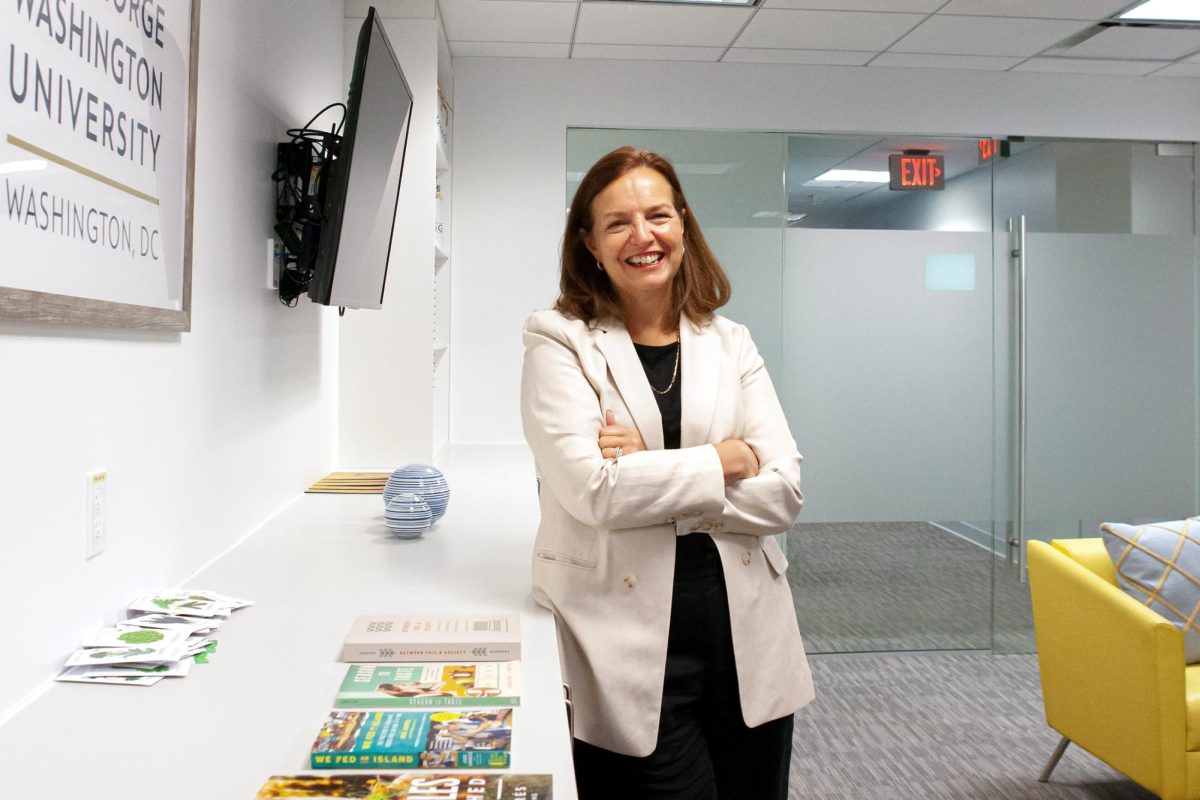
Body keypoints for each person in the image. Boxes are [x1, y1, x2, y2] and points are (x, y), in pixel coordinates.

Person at [520, 146, 814, 800]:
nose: (642, 236)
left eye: (658, 215)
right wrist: (725, 459)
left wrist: (650, 471)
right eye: (617, 222)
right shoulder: (558, 342)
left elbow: (784, 492)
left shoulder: (729, 341)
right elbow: (595, 492)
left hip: (748, 651)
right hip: (622, 655)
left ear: (682, 224)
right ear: (590, 243)